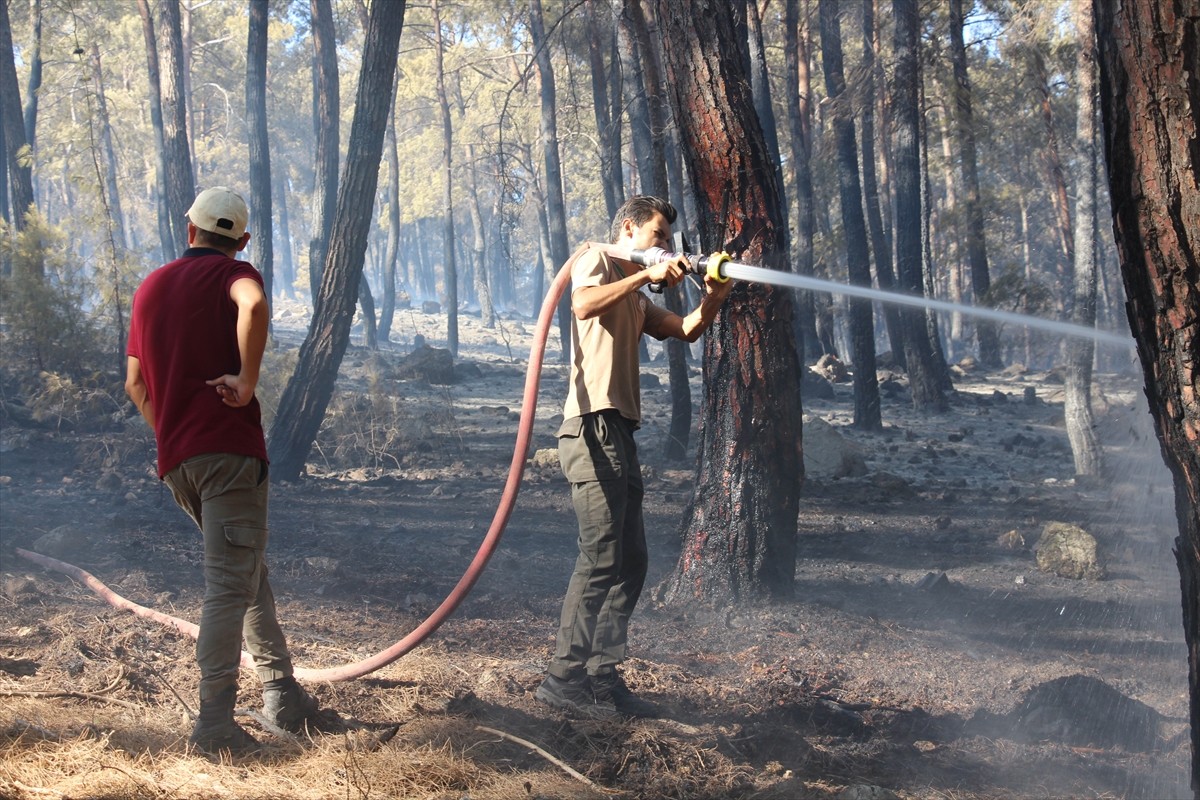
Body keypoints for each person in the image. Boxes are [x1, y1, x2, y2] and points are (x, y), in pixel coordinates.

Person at [125, 186, 320, 755]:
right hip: (229, 455)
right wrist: (247, 381)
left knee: (244, 571)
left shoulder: (151, 286)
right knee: (228, 586)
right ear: (242, 241)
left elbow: (135, 384)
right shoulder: (234, 275)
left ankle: (281, 693)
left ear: (190, 231)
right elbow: (254, 305)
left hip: (178, 461)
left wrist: (171, 432)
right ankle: (213, 726)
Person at [536, 195, 734, 718]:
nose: (666, 246)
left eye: (669, 239)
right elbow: (581, 304)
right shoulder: (597, 258)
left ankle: (603, 675)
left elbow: (687, 330)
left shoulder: (638, 297)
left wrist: (713, 296)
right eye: (659, 236)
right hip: (590, 424)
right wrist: (644, 275)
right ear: (630, 228)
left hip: (619, 430)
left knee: (633, 560)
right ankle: (562, 679)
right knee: (602, 556)